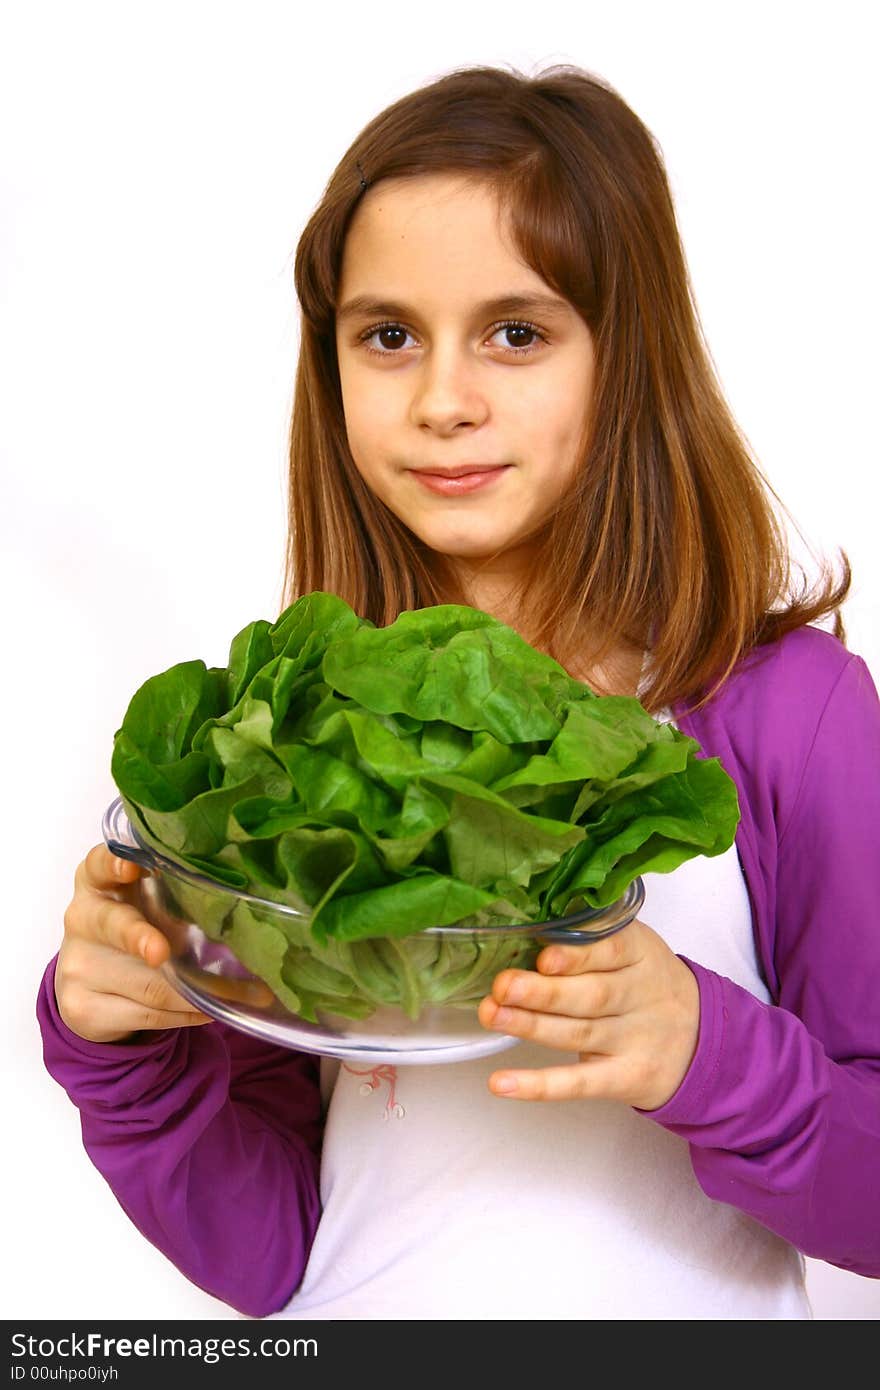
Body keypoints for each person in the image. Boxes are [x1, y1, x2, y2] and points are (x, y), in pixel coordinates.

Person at [38, 63, 880, 1321]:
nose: (442, 400)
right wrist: (120, 1050)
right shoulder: (281, 750)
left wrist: (709, 1055)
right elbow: (278, 1254)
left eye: (517, 332)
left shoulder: (783, 711)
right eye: (387, 336)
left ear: (628, 356)